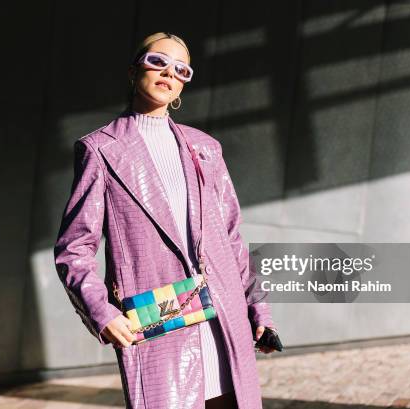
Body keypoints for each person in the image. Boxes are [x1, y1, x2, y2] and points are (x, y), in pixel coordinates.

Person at [54, 31, 279, 409]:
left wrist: (259, 309)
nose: (168, 73)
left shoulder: (205, 147)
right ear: (133, 71)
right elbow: (74, 248)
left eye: (181, 69)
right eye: (157, 61)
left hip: (226, 318)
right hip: (161, 324)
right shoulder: (99, 150)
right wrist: (101, 311)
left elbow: (231, 238)